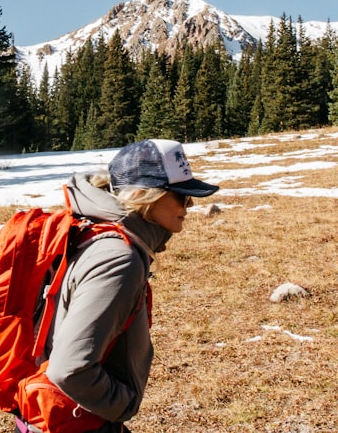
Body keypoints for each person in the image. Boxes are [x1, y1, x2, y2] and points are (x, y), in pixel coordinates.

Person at [15, 138, 219, 433]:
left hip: (53, 416)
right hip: (77, 423)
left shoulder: (94, 230)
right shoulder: (119, 258)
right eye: (180, 196)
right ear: (144, 195)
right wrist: (123, 406)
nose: (189, 206)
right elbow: (70, 369)